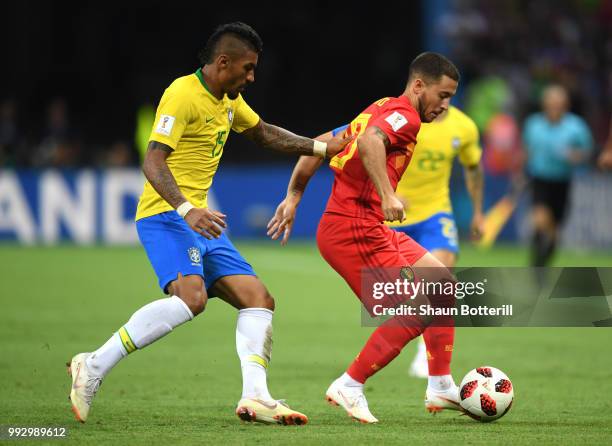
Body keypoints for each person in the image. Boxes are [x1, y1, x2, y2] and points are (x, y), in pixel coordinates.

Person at [67, 22, 350, 426]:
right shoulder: (183, 94)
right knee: (191, 299)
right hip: (167, 215)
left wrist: (321, 148)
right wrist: (186, 209)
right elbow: (153, 161)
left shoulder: (229, 100)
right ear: (223, 62)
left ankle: (256, 396)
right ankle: (93, 365)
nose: (251, 77)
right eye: (247, 69)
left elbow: (265, 133)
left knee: (258, 298)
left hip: (200, 222)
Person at [267, 52, 461, 423]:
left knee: (442, 286)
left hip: (366, 225)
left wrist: (294, 196)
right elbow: (372, 141)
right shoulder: (403, 118)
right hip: (353, 228)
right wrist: (388, 193)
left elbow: (323, 143)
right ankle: (350, 385)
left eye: (451, 97)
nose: (445, 105)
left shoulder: (380, 108)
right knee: (418, 308)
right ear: (419, 85)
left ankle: (440, 385)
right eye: (443, 95)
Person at [523, 84, 593, 266]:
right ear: (544, 104)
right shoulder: (533, 125)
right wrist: (521, 171)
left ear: (565, 105)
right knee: (539, 220)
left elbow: (587, 152)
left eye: (559, 104)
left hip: (562, 181)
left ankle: (543, 263)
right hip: (540, 179)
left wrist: (575, 156)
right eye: (551, 103)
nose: (555, 107)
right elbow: (527, 151)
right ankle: (535, 264)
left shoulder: (576, 126)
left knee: (554, 229)